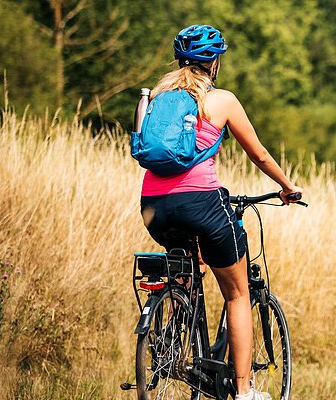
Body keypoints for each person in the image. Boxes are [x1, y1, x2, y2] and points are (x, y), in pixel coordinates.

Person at [138, 24, 302, 400]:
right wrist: (287, 187)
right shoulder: (222, 100)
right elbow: (258, 154)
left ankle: (173, 332)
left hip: (152, 207)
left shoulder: (160, 95)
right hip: (201, 204)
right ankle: (244, 391)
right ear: (213, 62)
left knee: (185, 266)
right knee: (237, 293)